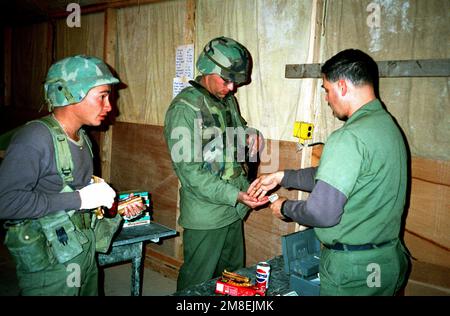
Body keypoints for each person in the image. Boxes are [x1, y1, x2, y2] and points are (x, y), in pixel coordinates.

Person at [248, 49, 410, 296]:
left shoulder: (348, 137)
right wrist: (283, 176)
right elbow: (338, 176)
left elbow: (321, 213)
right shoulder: (387, 126)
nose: (326, 98)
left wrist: (284, 207)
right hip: (385, 260)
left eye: (326, 89)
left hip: (354, 271)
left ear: (342, 86)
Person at [0, 55, 144, 295]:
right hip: (51, 264)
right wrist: (79, 199)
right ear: (71, 94)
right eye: (102, 96)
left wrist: (112, 207)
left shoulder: (83, 137)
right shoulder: (35, 138)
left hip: (82, 249)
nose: (110, 106)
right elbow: (6, 201)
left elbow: (70, 192)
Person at [164, 36, 267, 291]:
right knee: (196, 284)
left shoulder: (226, 100)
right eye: (227, 79)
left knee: (233, 279)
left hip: (233, 209)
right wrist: (236, 195)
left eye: (235, 81)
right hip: (207, 215)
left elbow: (235, 132)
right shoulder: (184, 110)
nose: (232, 87)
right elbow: (190, 173)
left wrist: (251, 134)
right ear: (207, 69)